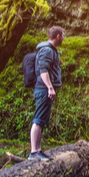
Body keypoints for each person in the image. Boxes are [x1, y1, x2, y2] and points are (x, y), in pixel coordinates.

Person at [29, 26, 64, 161]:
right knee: (38, 120)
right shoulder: (47, 50)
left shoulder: (49, 50)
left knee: (41, 120)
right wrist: (50, 87)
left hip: (44, 89)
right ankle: (33, 152)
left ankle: (38, 150)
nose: (63, 38)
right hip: (43, 89)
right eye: (63, 35)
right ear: (58, 36)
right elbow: (43, 71)